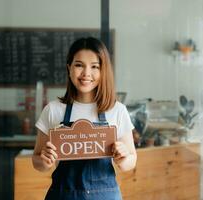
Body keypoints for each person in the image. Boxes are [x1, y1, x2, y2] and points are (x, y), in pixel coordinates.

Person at [32, 37, 137, 200]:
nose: (86, 73)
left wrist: (123, 158)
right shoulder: (53, 110)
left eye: (95, 66)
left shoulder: (117, 110)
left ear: (103, 71)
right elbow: (37, 160)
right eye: (79, 65)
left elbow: (131, 160)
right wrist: (45, 161)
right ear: (69, 68)